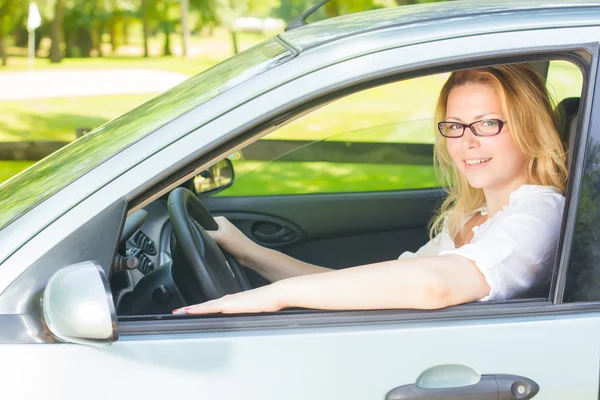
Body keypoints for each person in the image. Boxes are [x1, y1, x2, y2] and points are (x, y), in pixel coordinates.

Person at [173, 64, 568, 315]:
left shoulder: (542, 213)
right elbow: (364, 283)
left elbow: (435, 285)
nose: (467, 142)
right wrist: (250, 253)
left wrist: (275, 297)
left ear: (530, 127)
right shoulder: (468, 217)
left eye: (487, 124)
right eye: (455, 126)